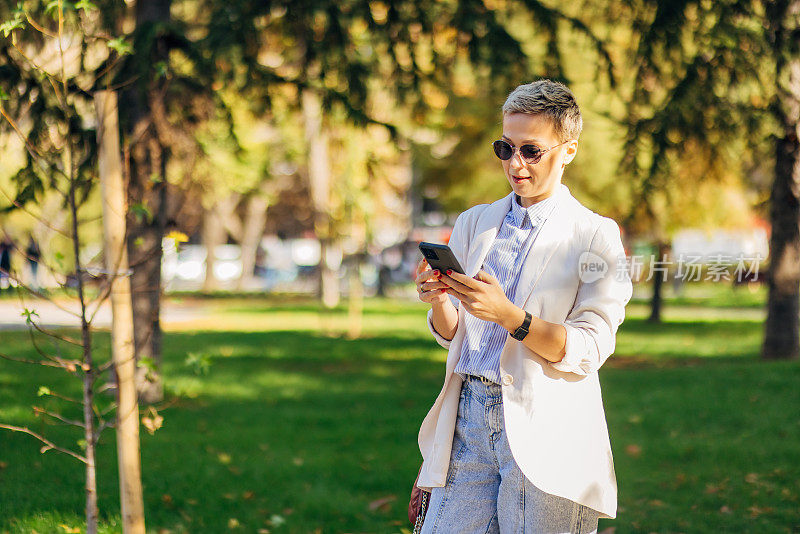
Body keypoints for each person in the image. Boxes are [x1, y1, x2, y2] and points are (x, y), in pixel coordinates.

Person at [413, 80, 633, 533]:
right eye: (505, 147)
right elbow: (457, 335)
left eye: (531, 151)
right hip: (468, 420)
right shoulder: (476, 221)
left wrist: (509, 316)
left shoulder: (595, 235)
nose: (515, 164)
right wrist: (439, 301)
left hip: (548, 426)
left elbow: (590, 347)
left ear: (567, 151)